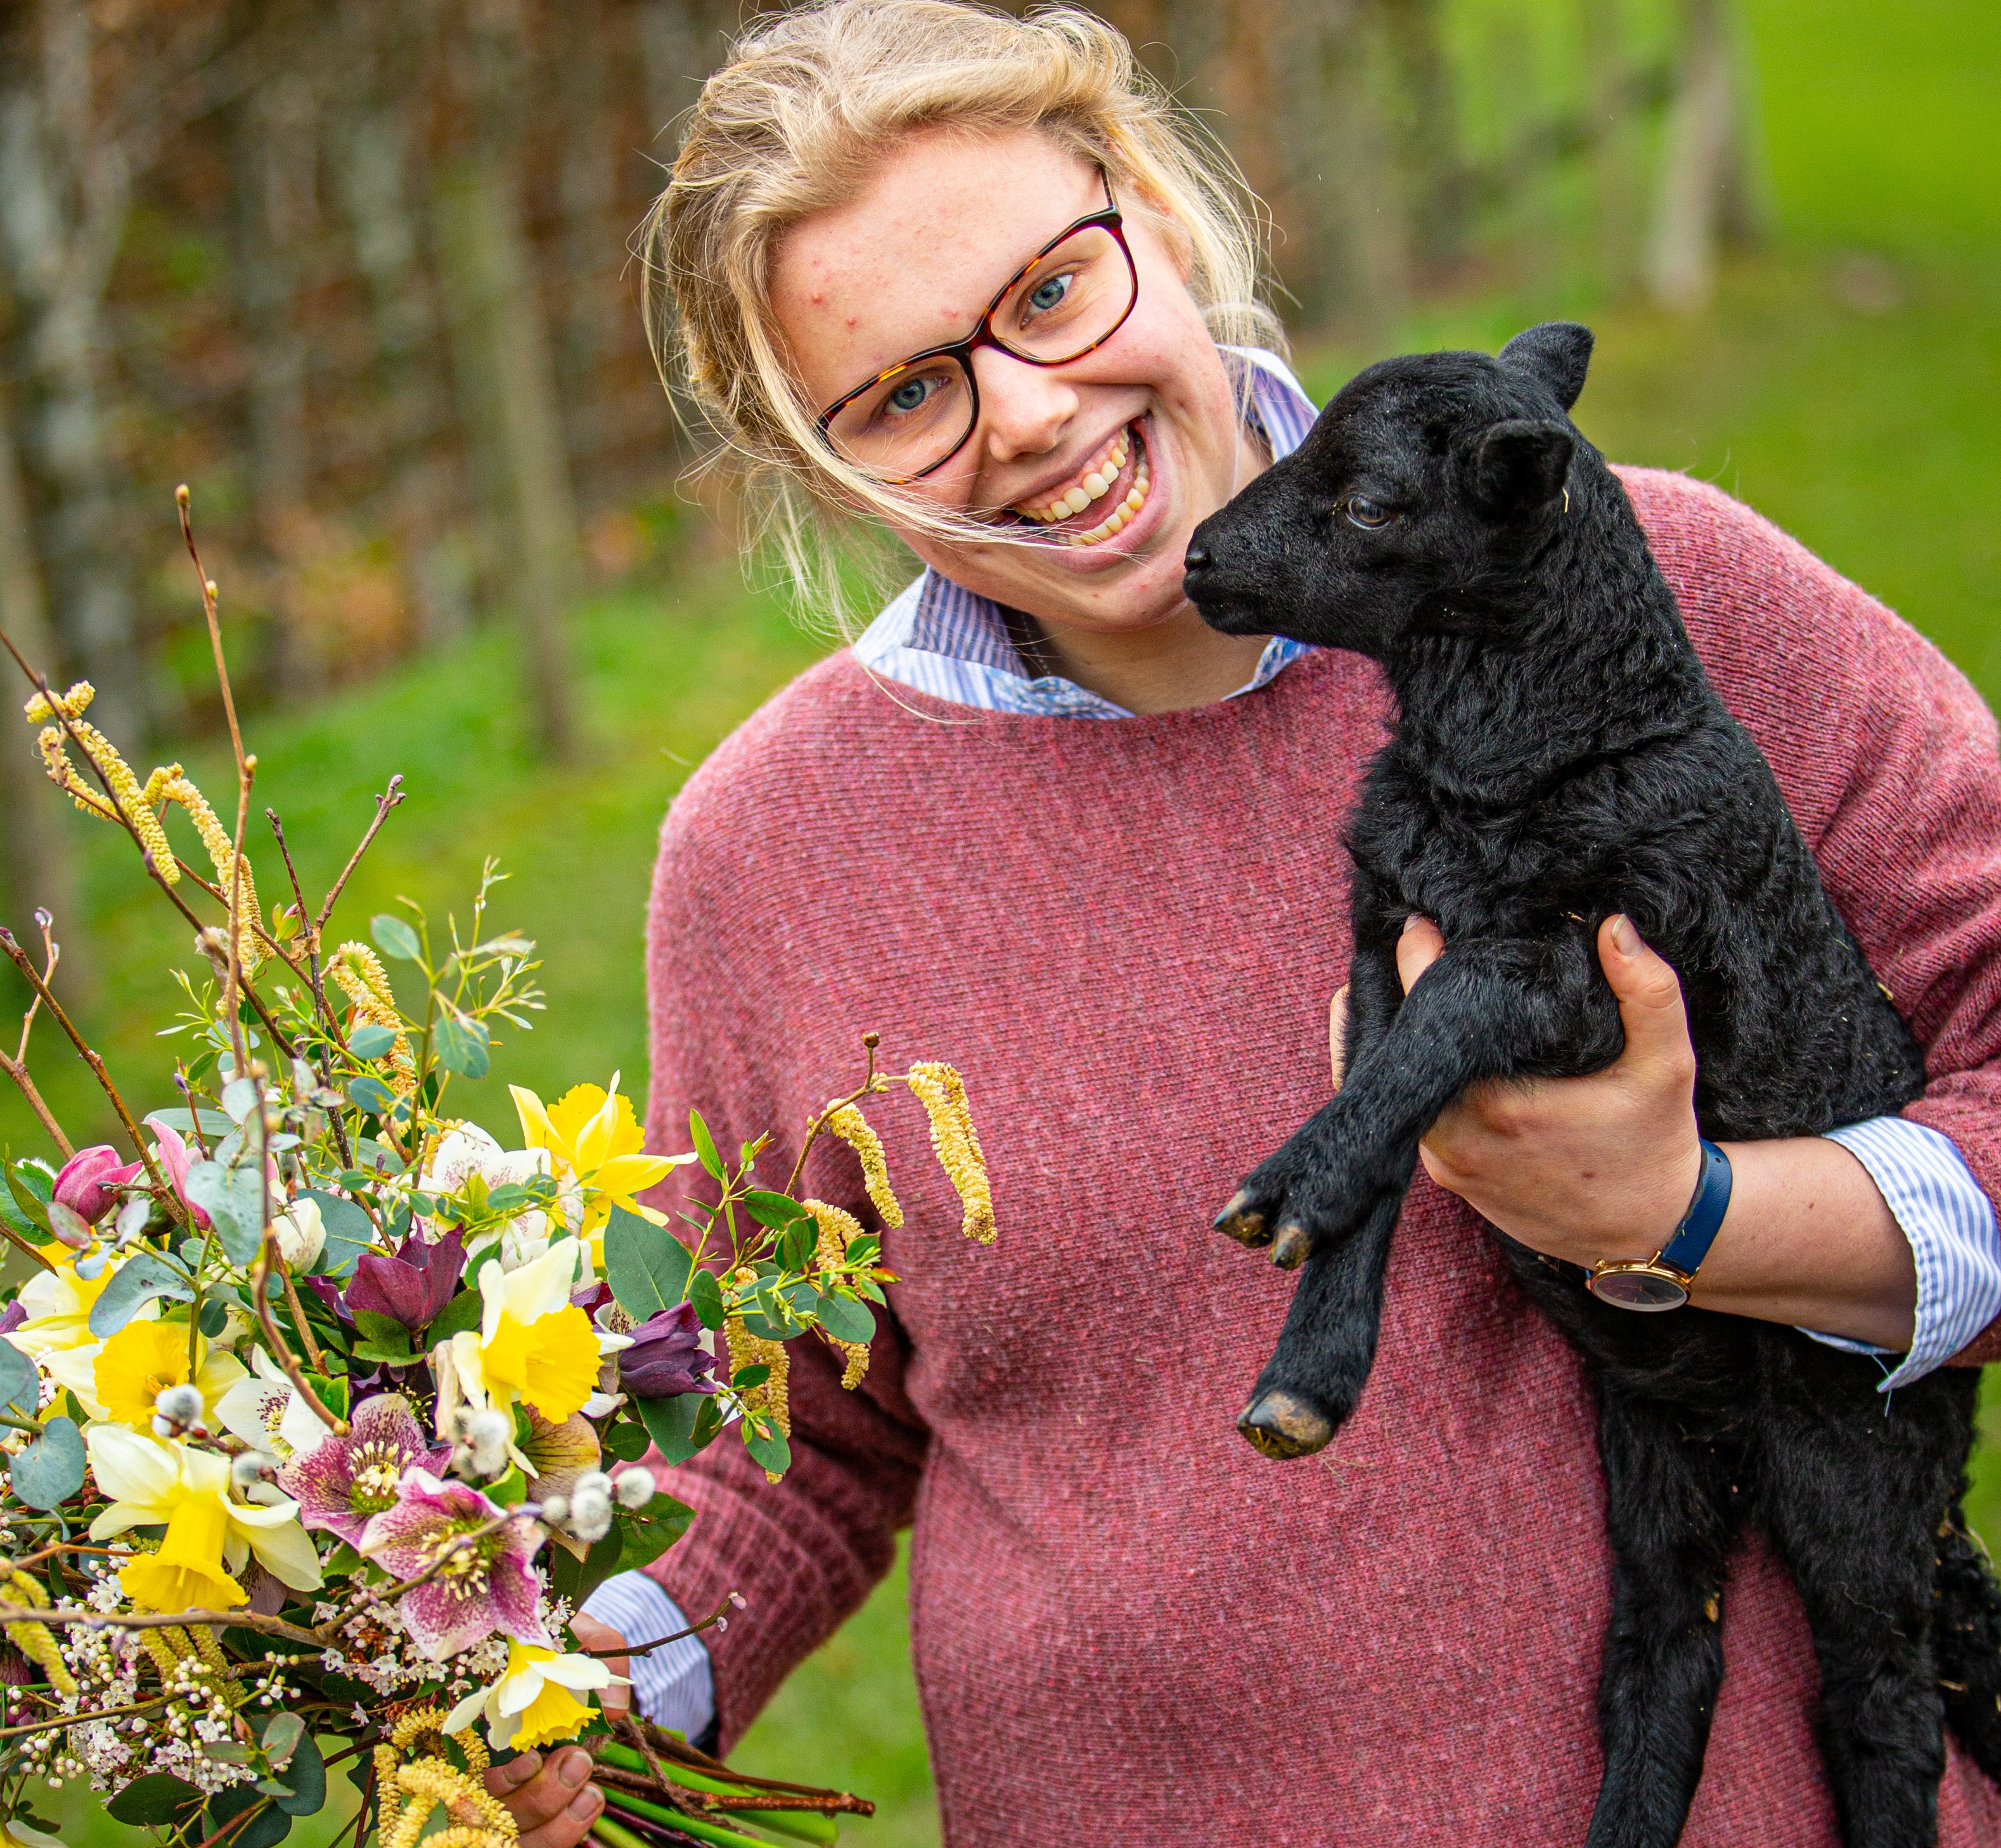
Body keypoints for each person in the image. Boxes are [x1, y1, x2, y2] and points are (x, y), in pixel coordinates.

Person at [492, 4, 2001, 1844]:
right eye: (902, 394)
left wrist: (1693, 1218)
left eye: (1050, 290)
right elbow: (790, 1425)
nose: (1030, 413)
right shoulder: (770, 857)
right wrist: (542, 1677)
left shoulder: (1643, 591)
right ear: (826, 470)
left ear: (1158, 215)